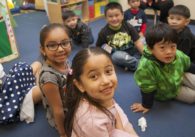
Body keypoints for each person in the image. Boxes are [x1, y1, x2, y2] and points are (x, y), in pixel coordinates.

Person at [64, 47, 139, 137]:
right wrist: (121, 130)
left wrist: (120, 126)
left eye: (108, 71)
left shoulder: (98, 95)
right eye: (94, 76)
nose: (106, 81)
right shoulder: (92, 123)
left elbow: (113, 107)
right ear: (80, 85)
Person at [131, 23, 195, 114]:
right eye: (162, 48)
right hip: (166, 90)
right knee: (192, 97)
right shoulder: (145, 67)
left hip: (178, 75)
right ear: (150, 49)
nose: (169, 52)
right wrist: (146, 105)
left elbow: (188, 65)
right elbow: (147, 89)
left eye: (172, 46)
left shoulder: (178, 54)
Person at [38, 23, 72, 137]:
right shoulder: (49, 78)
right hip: (64, 113)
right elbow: (58, 110)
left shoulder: (64, 61)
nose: (61, 49)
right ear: (43, 49)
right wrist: (63, 134)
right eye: (52, 45)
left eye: (65, 43)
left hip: (70, 98)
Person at [96, 2, 144, 71]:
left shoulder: (128, 26)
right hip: (120, 54)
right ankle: (140, 66)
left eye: (117, 15)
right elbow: (99, 47)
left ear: (122, 15)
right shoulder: (103, 32)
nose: (114, 19)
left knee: (143, 40)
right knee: (116, 57)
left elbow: (138, 42)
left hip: (132, 50)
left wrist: (146, 56)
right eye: (110, 16)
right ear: (106, 18)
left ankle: (131, 64)